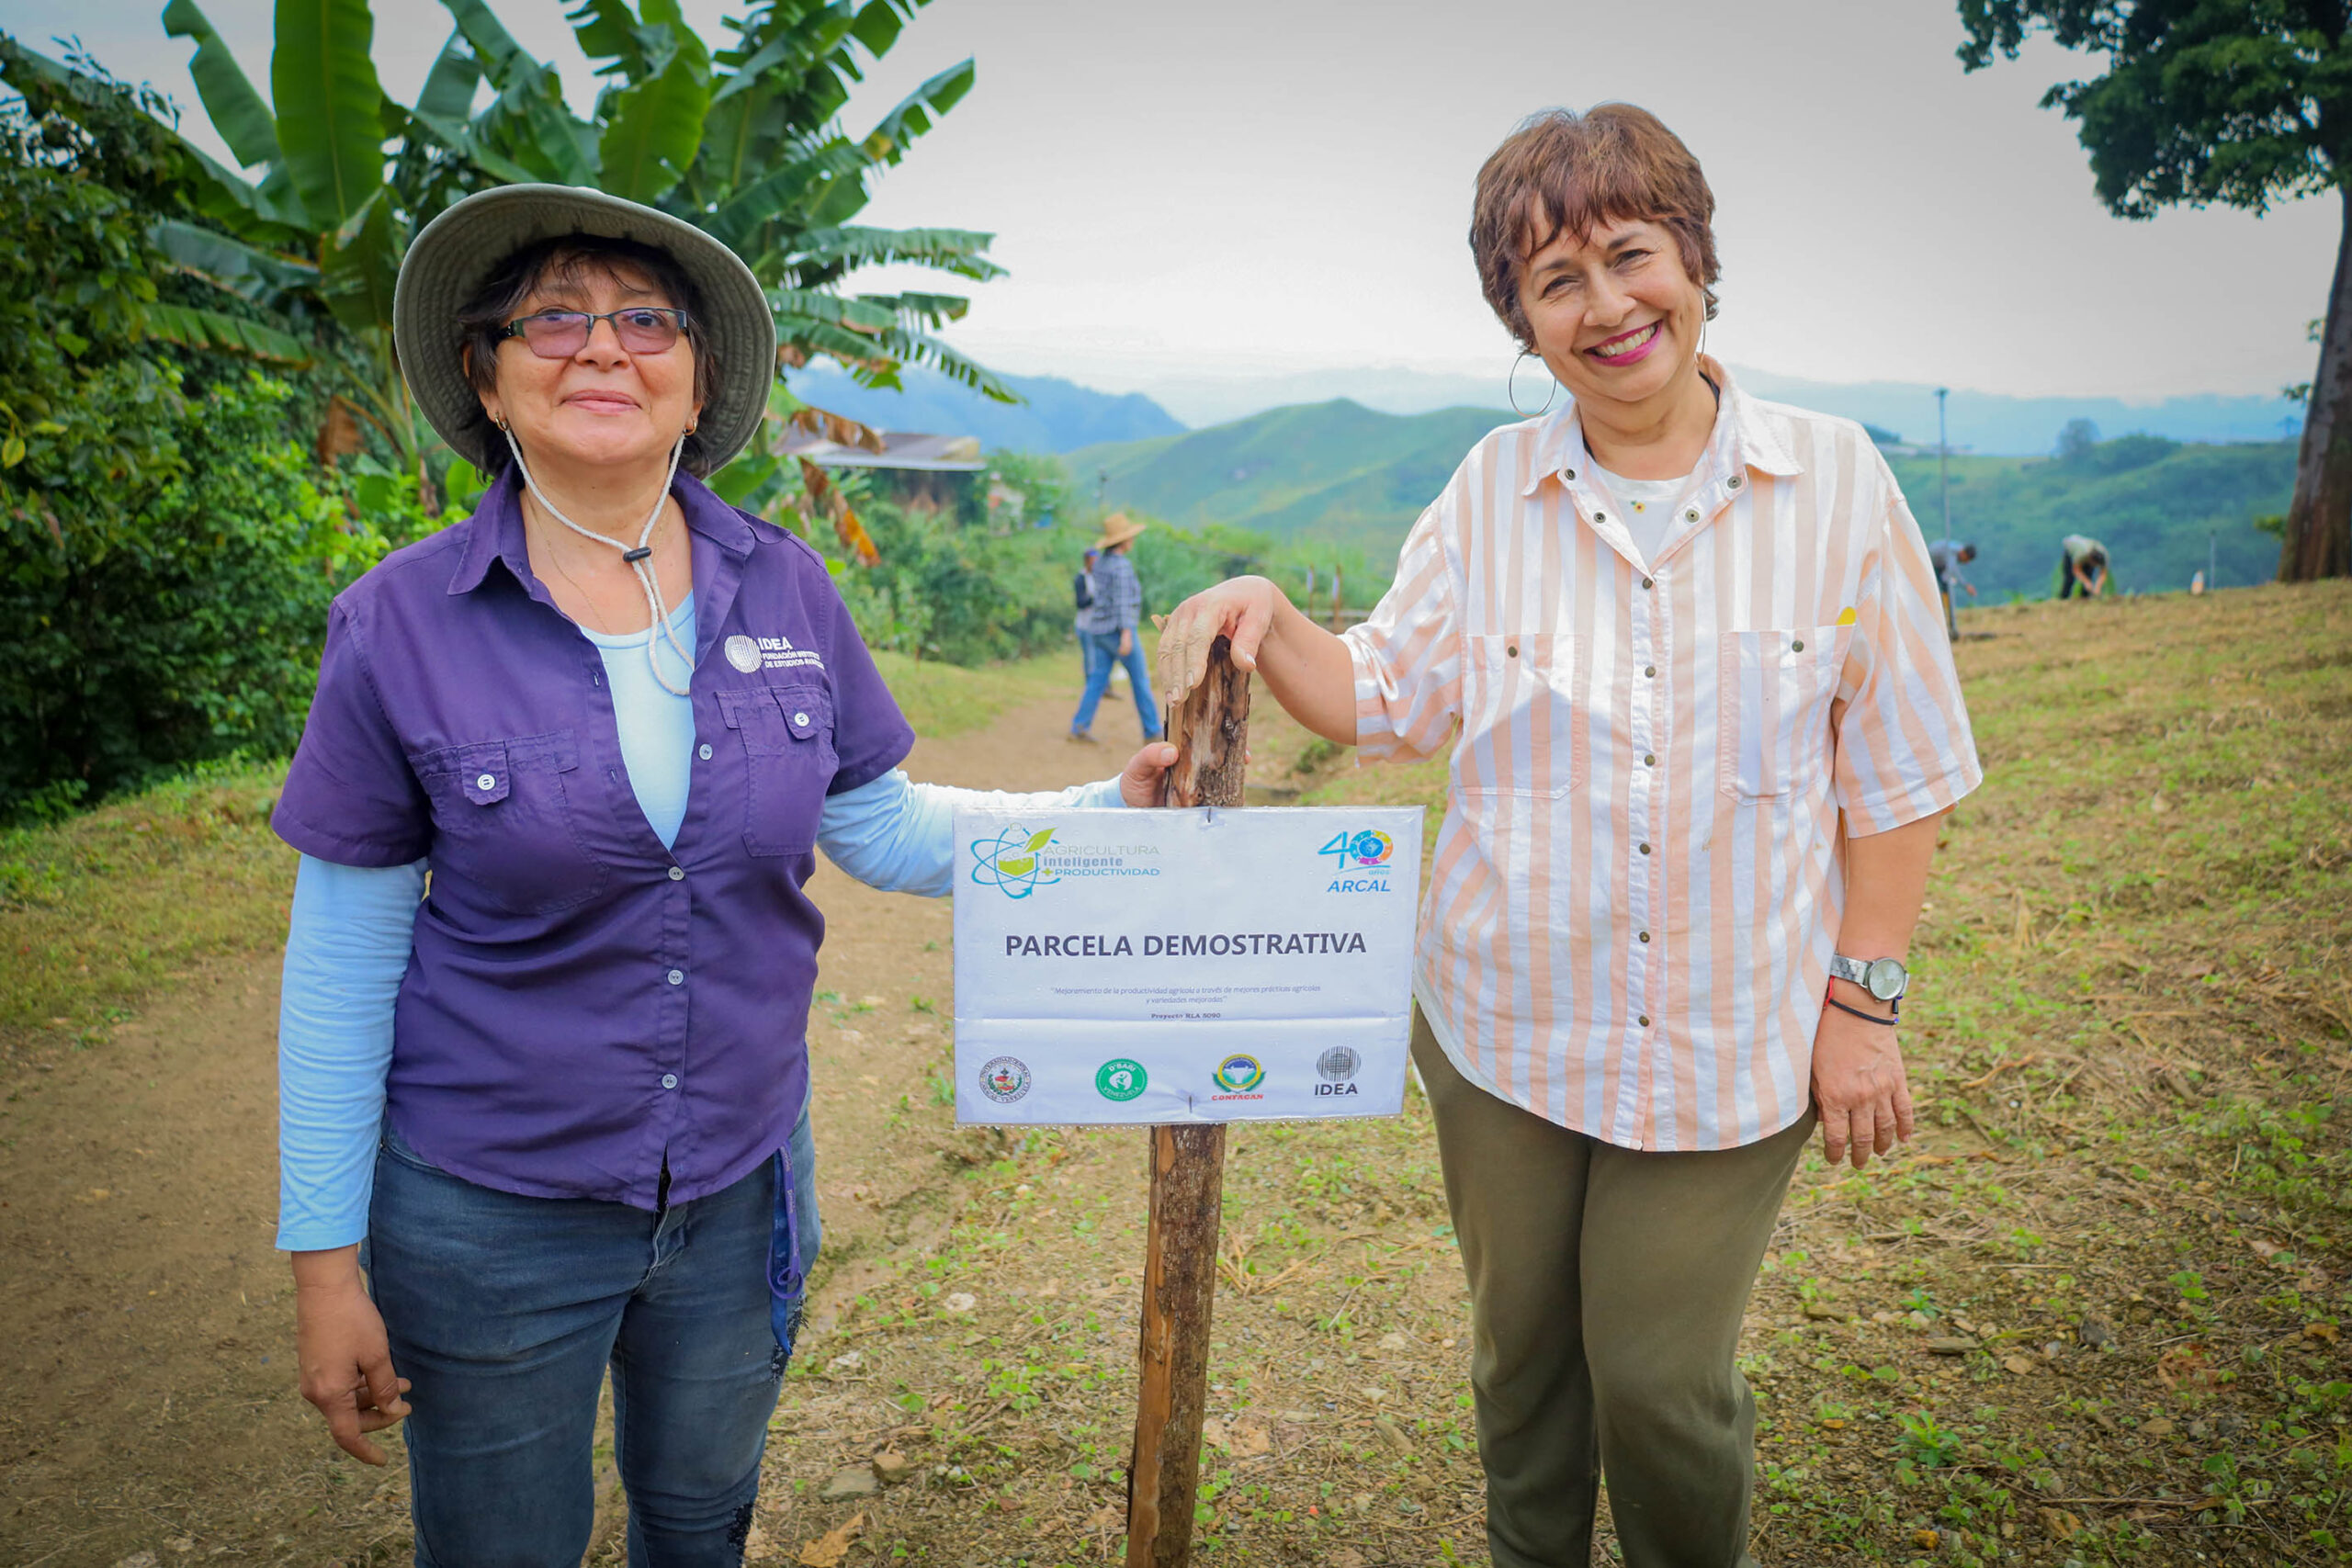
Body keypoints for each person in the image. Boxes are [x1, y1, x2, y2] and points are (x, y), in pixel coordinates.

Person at [273, 183, 1175, 1565]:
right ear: (487, 377)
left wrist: (1109, 809)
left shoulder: (787, 586)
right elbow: (341, 962)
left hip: (743, 1181)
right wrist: (325, 1269)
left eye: (645, 320)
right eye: (552, 320)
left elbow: (881, 824)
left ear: (697, 381)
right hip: (489, 1208)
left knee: (701, 1518)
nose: (602, 349)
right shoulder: (399, 621)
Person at [1156, 105, 1980, 1568]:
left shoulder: (1839, 482)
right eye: (1556, 281)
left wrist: (1865, 1002)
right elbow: (1384, 695)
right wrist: (1272, 614)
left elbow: (1896, 773)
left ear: (1697, 258)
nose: (1607, 307)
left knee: (1660, 1378)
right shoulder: (1492, 493)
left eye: (1630, 255)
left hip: (1735, 1032)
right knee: (1523, 1364)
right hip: (1506, 1027)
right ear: (1520, 321)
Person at [1069, 512, 1161, 743]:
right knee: (1140, 680)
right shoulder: (1121, 567)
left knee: (1097, 680)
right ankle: (1152, 731)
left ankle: (1080, 725)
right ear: (1124, 541)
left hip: (1098, 631)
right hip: (1118, 632)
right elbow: (1122, 603)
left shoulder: (1099, 564)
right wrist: (1127, 635)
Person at [1928, 537, 1977, 640]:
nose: (1965, 562)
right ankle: (1943, 613)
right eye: (1966, 560)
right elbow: (1950, 573)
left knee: (1945, 586)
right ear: (1964, 554)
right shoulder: (1952, 555)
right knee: (1944, 588)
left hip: (1938, 561)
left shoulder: (1956, 548)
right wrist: (1965, 585)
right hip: (1933, 562)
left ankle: (1945, 613)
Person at [2060, 533, 2109, 598]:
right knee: (2069, 579)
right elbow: (2076, 570)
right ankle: (2063, 599)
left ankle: (2084, 600)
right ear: (2090, 559)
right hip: (2070, 553)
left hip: (2086, 554)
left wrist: (2098, 587)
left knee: (2089, 577)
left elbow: (2103, 573)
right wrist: (2086, 582)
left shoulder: (2104, 555)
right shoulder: (2081, 553)